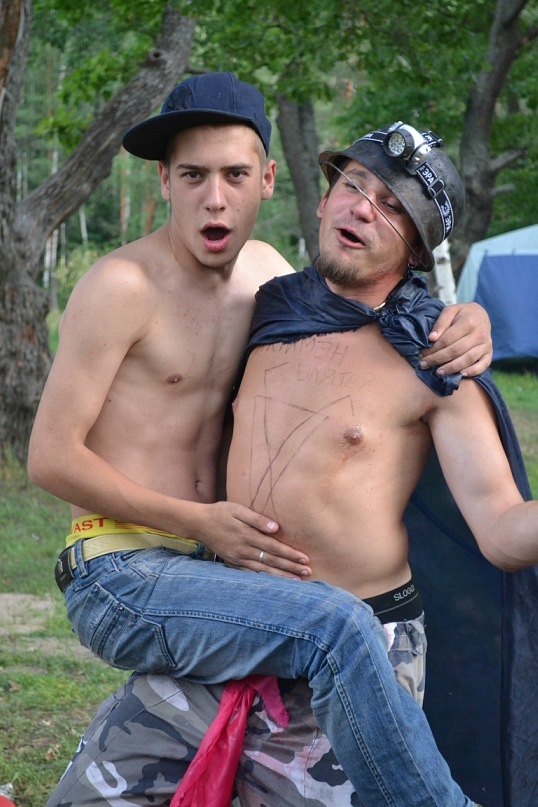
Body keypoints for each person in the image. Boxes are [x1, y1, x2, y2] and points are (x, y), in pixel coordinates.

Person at [28, 73, 495, 806]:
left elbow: (370, 305)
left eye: (235, 176)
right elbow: (49, 458)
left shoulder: (272, 282)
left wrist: (469, 319)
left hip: (223, 584)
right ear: (165, 181)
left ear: (268, 180)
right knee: (337, 626)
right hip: (124, 565)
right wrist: (200, 521)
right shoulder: (122, 286)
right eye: (193, 176)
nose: (215, 199)